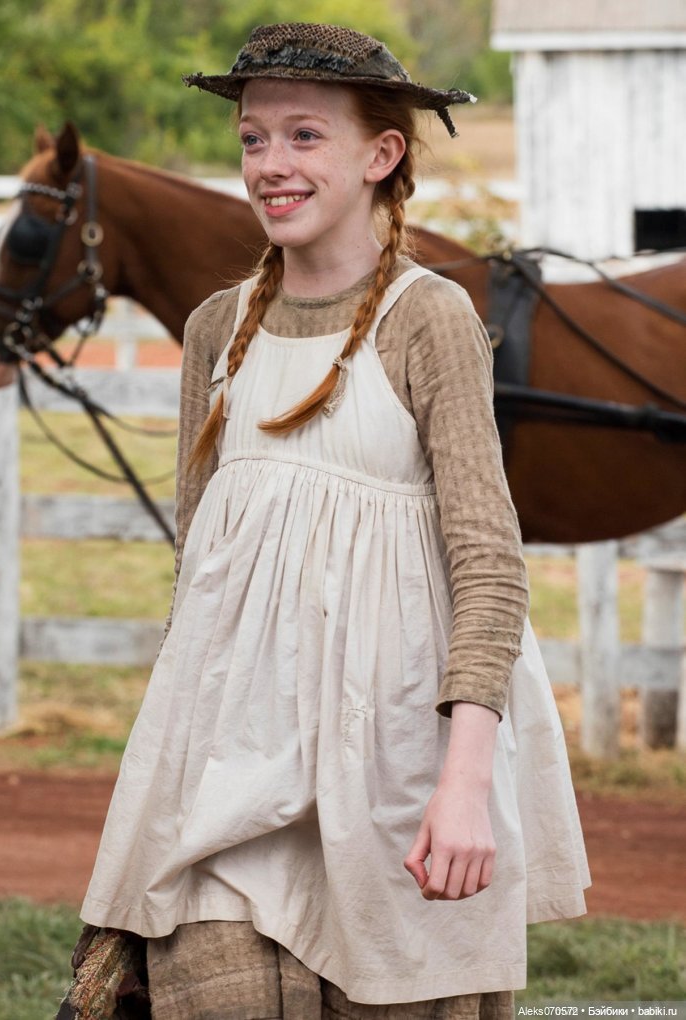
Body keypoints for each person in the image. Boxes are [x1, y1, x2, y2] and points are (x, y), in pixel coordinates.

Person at [75, 22, 590, 1019]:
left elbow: (487, 566)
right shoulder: (215, 331)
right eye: (253, 140)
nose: (270, 165)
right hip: (234, 770)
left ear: (380, 155)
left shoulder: (427, 318)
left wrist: (463, 786)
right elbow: (203, 572)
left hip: (396, 774)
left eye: (304, 136)